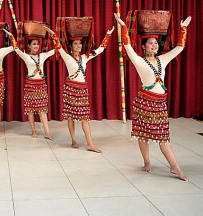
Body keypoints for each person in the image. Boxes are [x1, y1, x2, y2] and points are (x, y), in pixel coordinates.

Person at [115, 12, 191, 181]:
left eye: (156, 43)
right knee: (143, 135)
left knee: (163, 138)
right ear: (143, 46)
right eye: (150, 43)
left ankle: (174, 167)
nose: (154, 45)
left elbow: (180, 47)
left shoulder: (163, 59)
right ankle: (147, 162)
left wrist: (183, 29)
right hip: (144, 103)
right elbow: (127, 46)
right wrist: (124, 27)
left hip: (159, 104)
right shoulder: (139, 61)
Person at [51, 26, 114, 153]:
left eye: (80, 43)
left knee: (84, 118)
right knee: (70, 117)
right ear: (71, 46)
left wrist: (108, 35)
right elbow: (58, 46)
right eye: (76, 44)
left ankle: (90, 143)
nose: (79, 46)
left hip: (82, 90)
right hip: (70, 89)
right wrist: (53, 35)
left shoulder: (85, 57)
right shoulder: (67, 57)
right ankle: (73, 140)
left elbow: (100, 49)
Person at [4, 26, 60, 140]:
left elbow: (58, 48)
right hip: (30, 85)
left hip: (41, 85)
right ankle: (33, 131)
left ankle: (47, 132)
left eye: (37, 44)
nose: (36, 46)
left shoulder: (43, 56)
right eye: (33, 44)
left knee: (43, 109)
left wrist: (52, 34)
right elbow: (15, 48)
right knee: (30, 109)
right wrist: (10, 35)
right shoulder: (26, 56)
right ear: (28, 46)